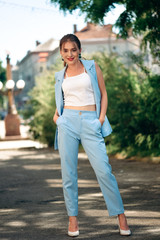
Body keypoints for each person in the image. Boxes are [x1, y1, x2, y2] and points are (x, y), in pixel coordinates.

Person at [53, 34, 131, 237]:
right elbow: (60, 102)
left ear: (79, 50)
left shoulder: (92, 68)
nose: (70, 54)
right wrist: (58, 119)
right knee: (68, 174)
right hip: (67, 123)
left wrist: (101, 119)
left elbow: (103, 94)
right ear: (61, 53)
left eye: (73, 50)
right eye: (65, 50)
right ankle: (72, 219)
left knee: (104, 171)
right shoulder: (59, 76)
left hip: (90, 121)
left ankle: (120, 215)